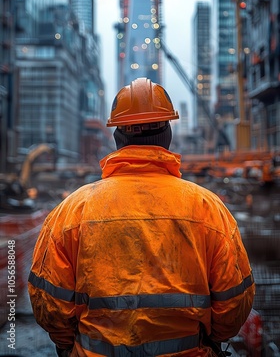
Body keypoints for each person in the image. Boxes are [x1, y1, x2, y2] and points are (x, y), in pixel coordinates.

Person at [28, 77, 255, 357]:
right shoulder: (207, 208)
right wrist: (209, 340)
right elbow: (235, 300)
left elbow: (47, 301)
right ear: (167, 134)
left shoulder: (72, 210)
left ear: (117, 137)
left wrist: (68, 344)